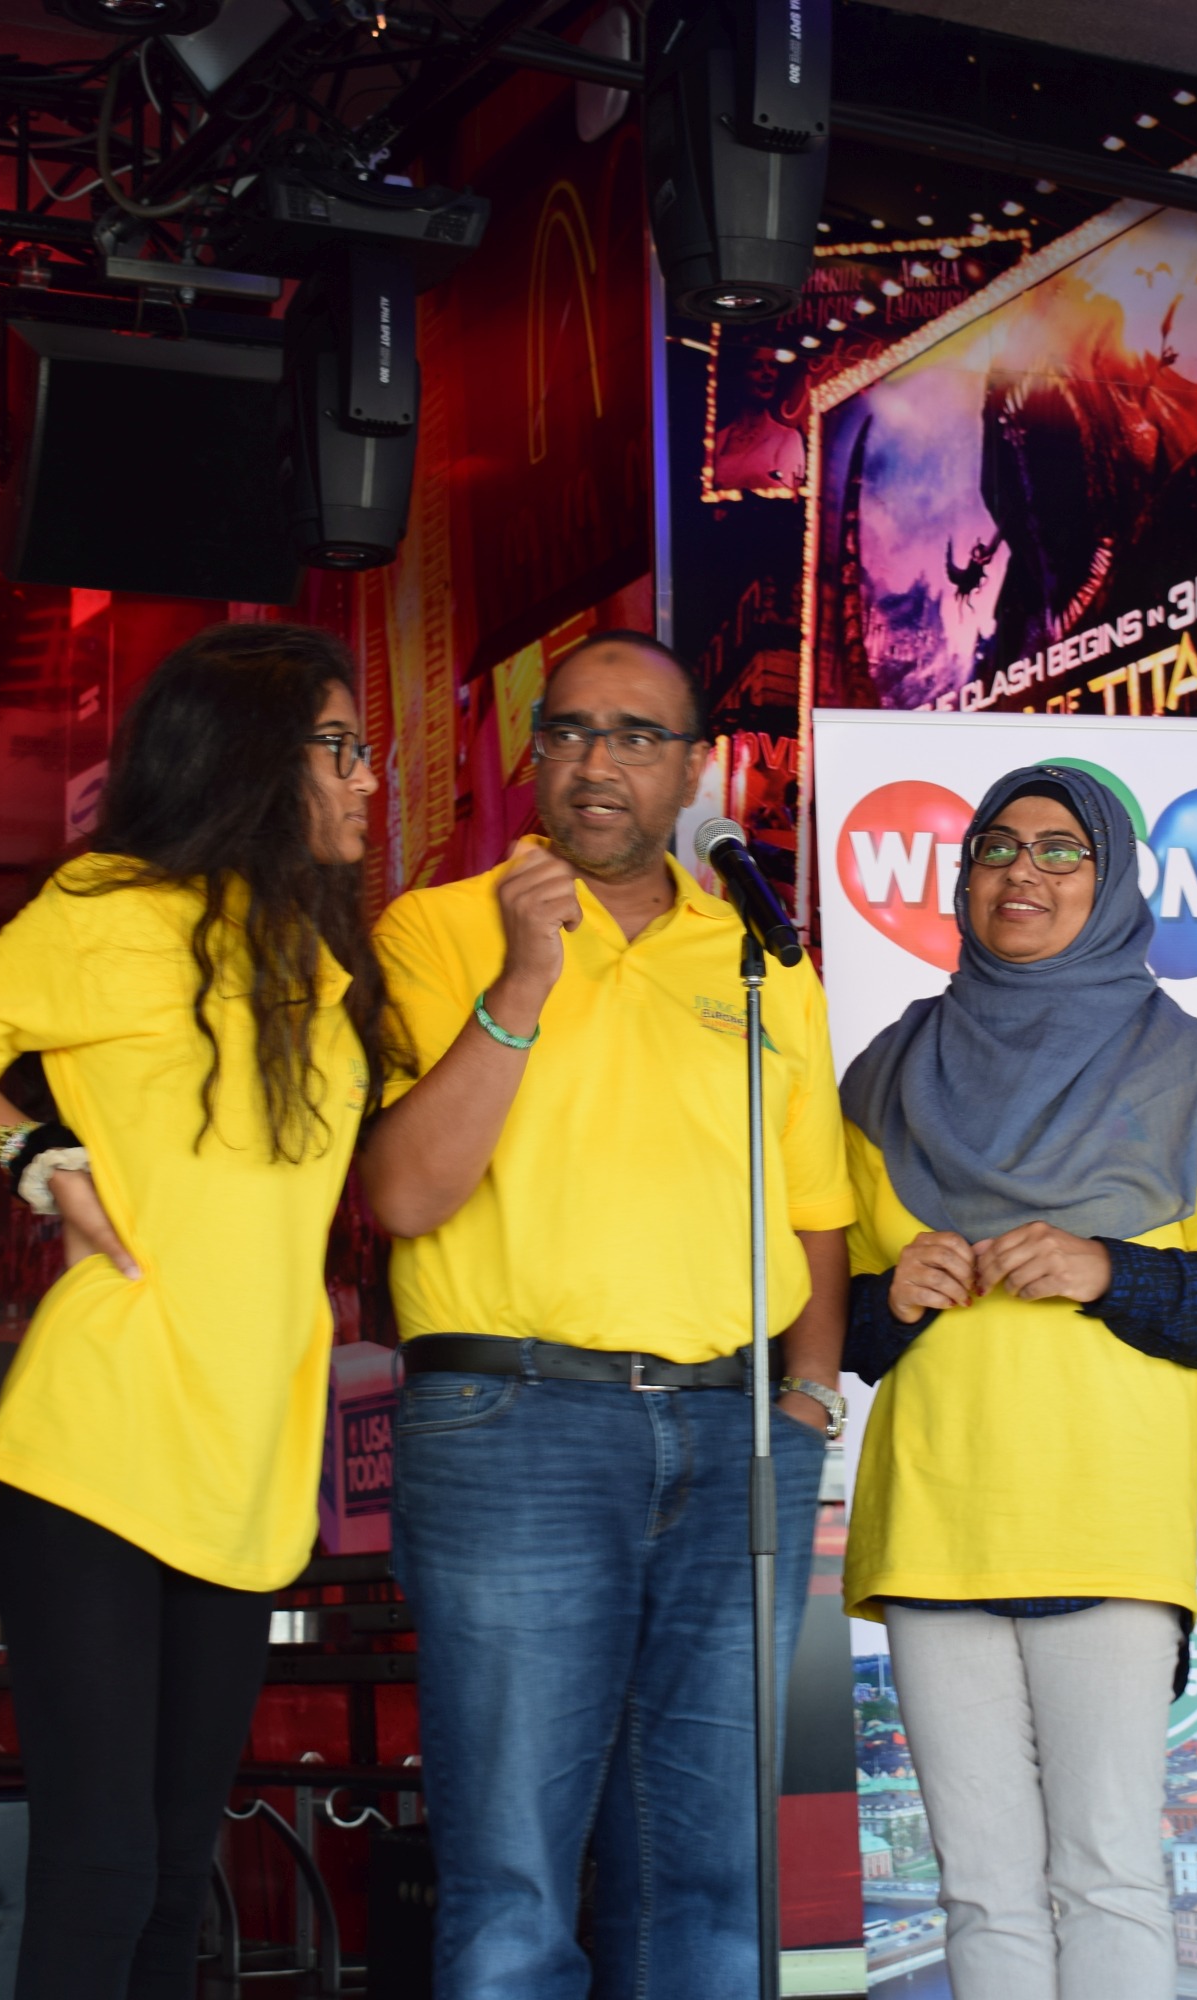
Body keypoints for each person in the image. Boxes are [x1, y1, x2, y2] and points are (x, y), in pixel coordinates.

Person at [361, 630, 851, 1999]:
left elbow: (817, 1206)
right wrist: (523, 975)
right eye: (571, 730)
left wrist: (808, 1398)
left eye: (639, 736)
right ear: (534, 755)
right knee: (513, 1878)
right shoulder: (435, 927)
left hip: (735, 1429)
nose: (599, 761)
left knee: (716, 1876)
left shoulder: (762, 955)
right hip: (515, 1424)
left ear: (696, 769)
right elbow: (405, 1193)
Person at [0, 624, 390, 2000]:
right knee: (107, 1864)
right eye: (340, 747)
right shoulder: (113, 911)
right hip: (99, 1447)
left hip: (240, 1461)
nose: (366, 778)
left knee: (182, 1870)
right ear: (253, 755)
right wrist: (31, 1153)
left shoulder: (311, 946)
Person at [837, 765, 1197, 2000]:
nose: (1022, 872)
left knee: (1109, 1877)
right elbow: (827, 1320)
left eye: (1061, 850)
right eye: (997, 846)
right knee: (979, 1891)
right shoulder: (887, 1071)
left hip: (1106, 1526)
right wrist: (886, 1297)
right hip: (934, 1519)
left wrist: (1113, 1268)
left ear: (1114, 880)